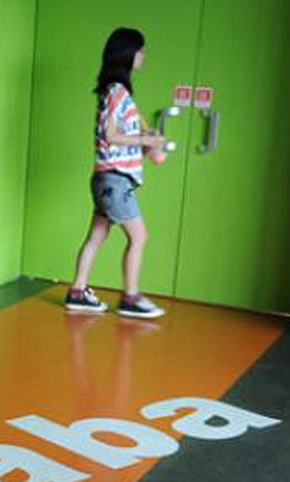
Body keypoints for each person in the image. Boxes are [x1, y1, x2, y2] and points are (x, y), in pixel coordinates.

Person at [64, 28, 167, 319]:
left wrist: (148, 143)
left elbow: (125, 137)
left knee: (97, 236)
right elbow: (111, 135)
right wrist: (146, 141)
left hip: (108, 179)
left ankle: (77, 291)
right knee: (139, 237)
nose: (143, 56)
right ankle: (130, 298)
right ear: (128, 53)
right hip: (114, 181)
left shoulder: (116, 92)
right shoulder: (116, 91)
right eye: (141, 50)